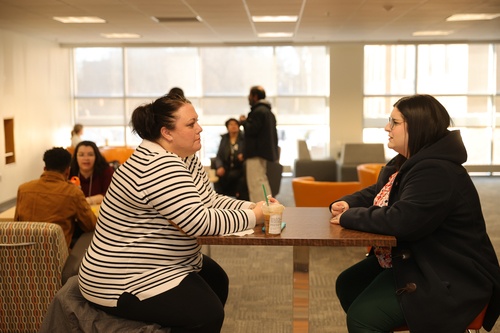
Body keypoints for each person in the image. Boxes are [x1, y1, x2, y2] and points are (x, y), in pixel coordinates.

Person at [78, 94, 275, 332]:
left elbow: (207, 200)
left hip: (163, 261)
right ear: (167, 133)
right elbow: (198, 222)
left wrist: (249, 206)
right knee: (207, 314)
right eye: (191, 124)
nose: (199, 128)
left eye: (197, 122)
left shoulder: (185, 157)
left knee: (217, 280)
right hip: (123, 275)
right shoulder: (157, 165)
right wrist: (255, 216)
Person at [330, 94, 500, 333]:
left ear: (418, 127)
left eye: (395, 122)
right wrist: (347, 203)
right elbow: (380, 193)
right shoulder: (408, 162)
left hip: (451, 274)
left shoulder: (436, 171)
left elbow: (401, 220)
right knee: (348, 284)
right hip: (419, 258)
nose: (387, 127)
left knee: (362, 318)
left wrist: (350, 217)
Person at [14, 147, 97, 248]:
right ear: (67, 171)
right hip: (57, 257)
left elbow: (16, 225)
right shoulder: (73, 192)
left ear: (44, 169)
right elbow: (91, 225)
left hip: (24, 254)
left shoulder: (23, 189)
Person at [239, 85, 279, 202]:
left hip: (255, 153)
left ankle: (260, 209)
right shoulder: (268, 111)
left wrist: (244, 122)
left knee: (255, 182)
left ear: (255, 96)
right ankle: (267, 205)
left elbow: (252, 130)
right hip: (264, 152)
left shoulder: (258, 111)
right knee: (261, 180)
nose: (248, 98)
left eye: (250, 95)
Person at [69, 141, 114, 206]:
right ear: (76, 157)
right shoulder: (69, 171)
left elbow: (111, 195)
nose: (86, 158)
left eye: (90, 154)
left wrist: (87, 201)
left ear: (96, 157)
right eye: (81, 155)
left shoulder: (106, 171)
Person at [214, 118, 248, 200]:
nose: (233, 126)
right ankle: (219, 200)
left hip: (240, 167)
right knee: (219, 175)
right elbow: (219, 156)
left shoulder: (244, 138)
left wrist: (243, 156)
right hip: (226, 167)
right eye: (231, 124)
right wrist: (220, 166)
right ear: (227, 127)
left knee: (238, 177)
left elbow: (249, 151)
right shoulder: (224, 139)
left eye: (235, 124)